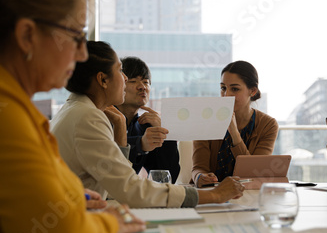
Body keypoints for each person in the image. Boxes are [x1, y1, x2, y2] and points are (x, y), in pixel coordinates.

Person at [0, 0, 146, 233]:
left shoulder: (20, 108)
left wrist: (73, 201)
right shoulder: (8, 116)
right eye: (76, 36)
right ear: (27, 36)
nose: (81, 53)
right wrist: (114, 223)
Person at [50, 41, 245, 209]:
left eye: (145, 81)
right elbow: (130, 188)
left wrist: (124, 128)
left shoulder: (78, 109)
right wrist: (213, 195)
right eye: (120, 71)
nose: (125, 78)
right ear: (102, 79)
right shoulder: (89, 117)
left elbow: (119, 184)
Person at [192, 60, 279, 187]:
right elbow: (198, 168)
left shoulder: (268, 125)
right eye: (223, 88)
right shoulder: (206, 120)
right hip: (212, 193)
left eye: (235, 89)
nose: (226, 95)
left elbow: (254, 173)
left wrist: (234, 133)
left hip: (248, 193)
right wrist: (200, 177)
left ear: (253, 91)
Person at [117, 56, 180, 182]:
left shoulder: (144, 126)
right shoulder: (103, 117)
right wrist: (140, 144)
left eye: (146, 82)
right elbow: (110, 154)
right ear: (118, 84)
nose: (142, 87)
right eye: (133, 81)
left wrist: (163, 130)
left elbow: (167, 177)